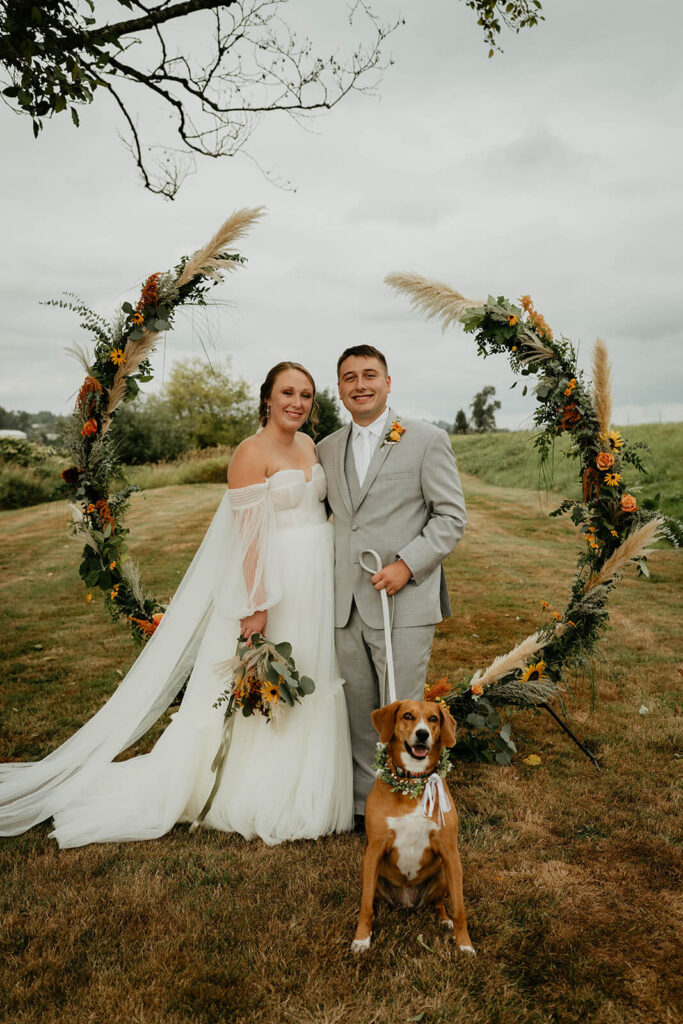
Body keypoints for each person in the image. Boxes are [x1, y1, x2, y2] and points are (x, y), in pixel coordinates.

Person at [0, 362, 353, 847]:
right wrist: (257, 603)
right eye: (287, 392)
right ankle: (255, 790)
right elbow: (249, 539)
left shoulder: (311, 446)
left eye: (306, 395)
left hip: (317, 579)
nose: (297, 402)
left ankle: (311, 786)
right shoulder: (250, 453)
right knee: (266, 683)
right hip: (278, 583)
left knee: (311, 670)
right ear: (267, 398)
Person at [317, 345, 467, 826]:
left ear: (387, 382)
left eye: (369, 375)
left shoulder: (426, 440)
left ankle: (410, 808)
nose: (359, 385)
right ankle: (366, 809)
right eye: (348, 377)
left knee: (406, 718)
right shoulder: (325, 447)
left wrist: (407, 563)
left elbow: (450, 517)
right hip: (345, 605)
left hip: (402, 603)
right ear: (338, 388)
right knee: (363, 715)